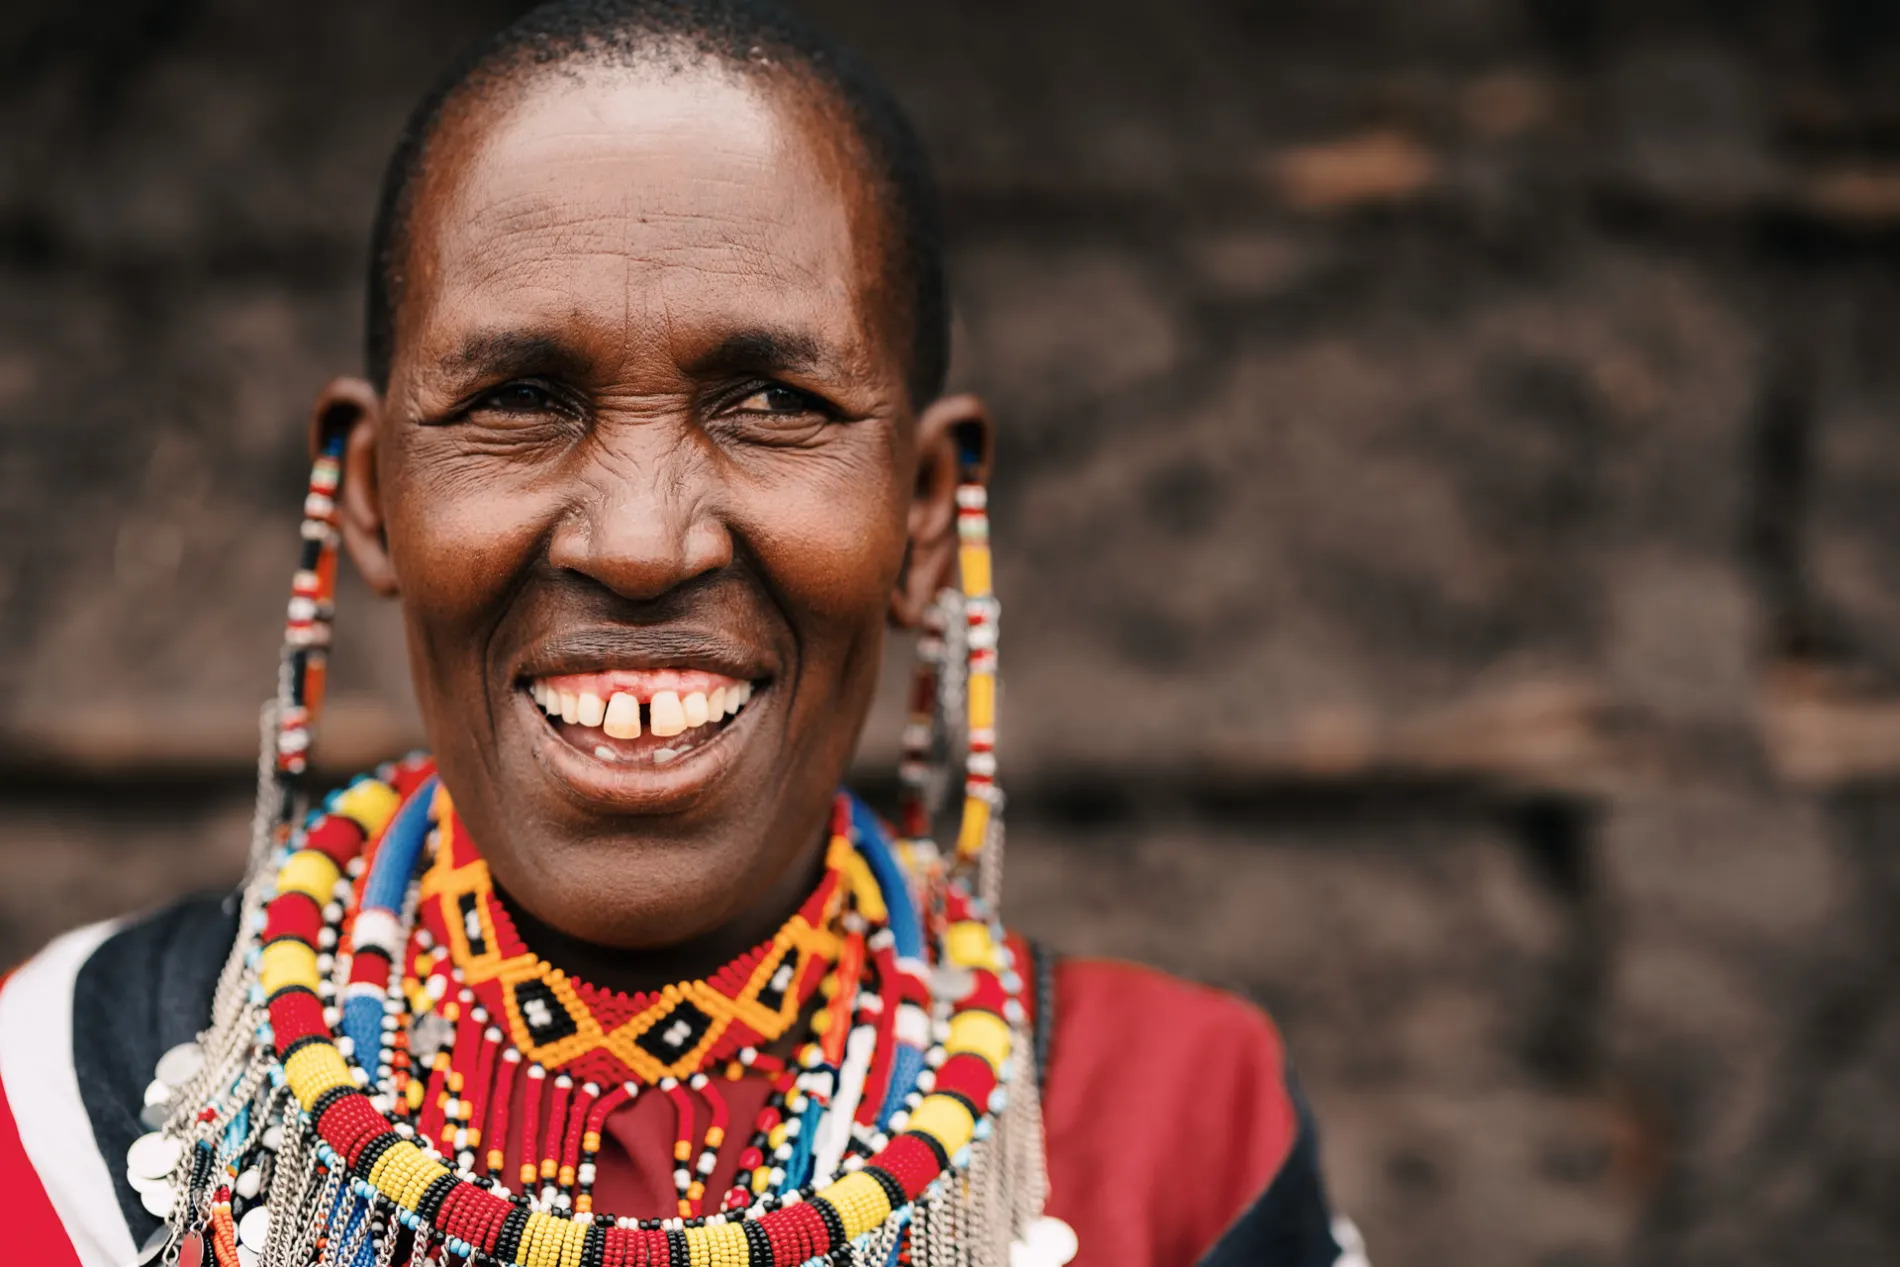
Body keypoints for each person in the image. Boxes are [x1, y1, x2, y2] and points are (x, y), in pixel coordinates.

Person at [0, 3, 1352, 1264]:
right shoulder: (60, 1095)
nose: (643, 543)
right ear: (367, 494)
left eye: (772, 401)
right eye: (519, 398)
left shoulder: (1182, 1138)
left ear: (927, 510)